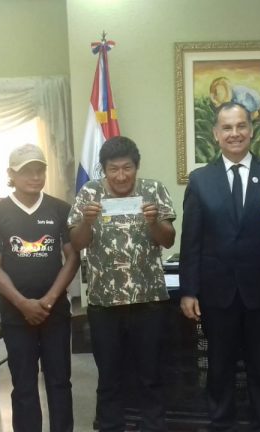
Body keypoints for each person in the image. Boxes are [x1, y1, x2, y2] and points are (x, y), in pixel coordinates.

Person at [179, 101, 260, 431]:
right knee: (219, 365)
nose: (235, 133)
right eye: (227, 128)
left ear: (251, 130)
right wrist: (188, 290)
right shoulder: (200, 180)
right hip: (216, 291)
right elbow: (191, 241)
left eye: (241, 126)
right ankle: (221, 421)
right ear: (216, 134)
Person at [68, 136, 176, 432]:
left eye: (127, 168)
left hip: (149, 301)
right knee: (109, 377)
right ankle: (110, 426)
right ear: (104, 170)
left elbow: (168, 240)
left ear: (136, 167)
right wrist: (87, 222)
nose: (120, 176)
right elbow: (77, 243)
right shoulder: (89, 192)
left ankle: (153, 427)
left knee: (151, 375)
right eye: (113, 169)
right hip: (104, 304)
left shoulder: (153, 190)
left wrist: (154, 222)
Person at [0, 144, 79, 432]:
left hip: (55, 312)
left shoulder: (60, 209)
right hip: (16, 314)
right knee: (23, 385)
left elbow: (73, 257)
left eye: (39, 170)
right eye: (26, 172)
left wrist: (49, 300)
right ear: (11, 174)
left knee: (60, 382)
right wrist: (23, 303)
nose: (34, 177)